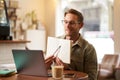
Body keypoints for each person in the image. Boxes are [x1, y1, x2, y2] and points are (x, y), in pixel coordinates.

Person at [45, 8, 98, 80]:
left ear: (81, 25)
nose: (67, 25)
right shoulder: (55, 42)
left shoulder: (88, 49)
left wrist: (69, 69)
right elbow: (46, 74)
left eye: (72, 23)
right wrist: (44, 67)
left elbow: (92, 78)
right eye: (65, 22)